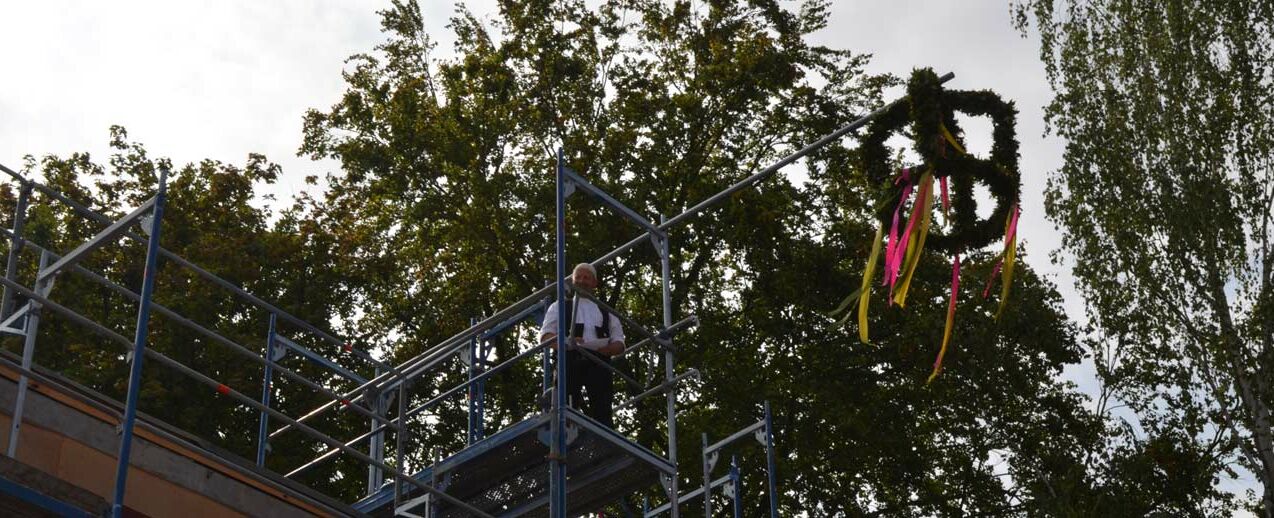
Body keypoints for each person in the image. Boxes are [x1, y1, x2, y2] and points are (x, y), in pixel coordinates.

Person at [540, 263, 625, 427]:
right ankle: (563, 436)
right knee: (564, 406)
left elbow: (619, 342)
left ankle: (604, 443)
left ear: (594, 283)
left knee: (602, 408)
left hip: (599, 361)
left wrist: (608, 349)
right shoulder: (559, 306)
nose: (582, 281)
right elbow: (545, 336)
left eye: (586, 278)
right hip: (569, 359)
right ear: (572, 281)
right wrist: (566, 341)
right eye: (578, 277)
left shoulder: (607, 311)